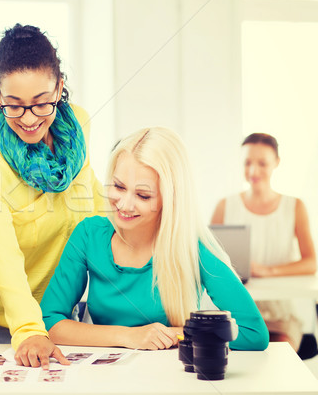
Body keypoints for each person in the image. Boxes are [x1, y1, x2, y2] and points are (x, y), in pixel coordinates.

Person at [40, 127, 269, 351]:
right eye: (119, 186)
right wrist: (129, 336)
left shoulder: (192, 247)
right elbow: (51, 320)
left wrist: (176, 333)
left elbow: (252, 333)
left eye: (143, 195)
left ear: (169, 199)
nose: (125, 205)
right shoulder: (89, 235)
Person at [0, 24, 105, 368]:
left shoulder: (78, 130)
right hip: (8, 326)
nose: (29, 120)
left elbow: (95, 207)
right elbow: (3, 261)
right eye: (14, 105)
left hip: (68, 315)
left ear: (59, 87)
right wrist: (28, 329)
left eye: (42, 103)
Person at [211, 132, 316, 351]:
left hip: (279, 316)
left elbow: (311, 262)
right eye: (247, 163)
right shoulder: (225, 206)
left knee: (274, 357)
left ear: (276, 163)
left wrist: (267, 271)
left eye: (262, 163)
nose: (253, 171)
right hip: (233, 315)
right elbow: (209, 258)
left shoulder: (294, 206)